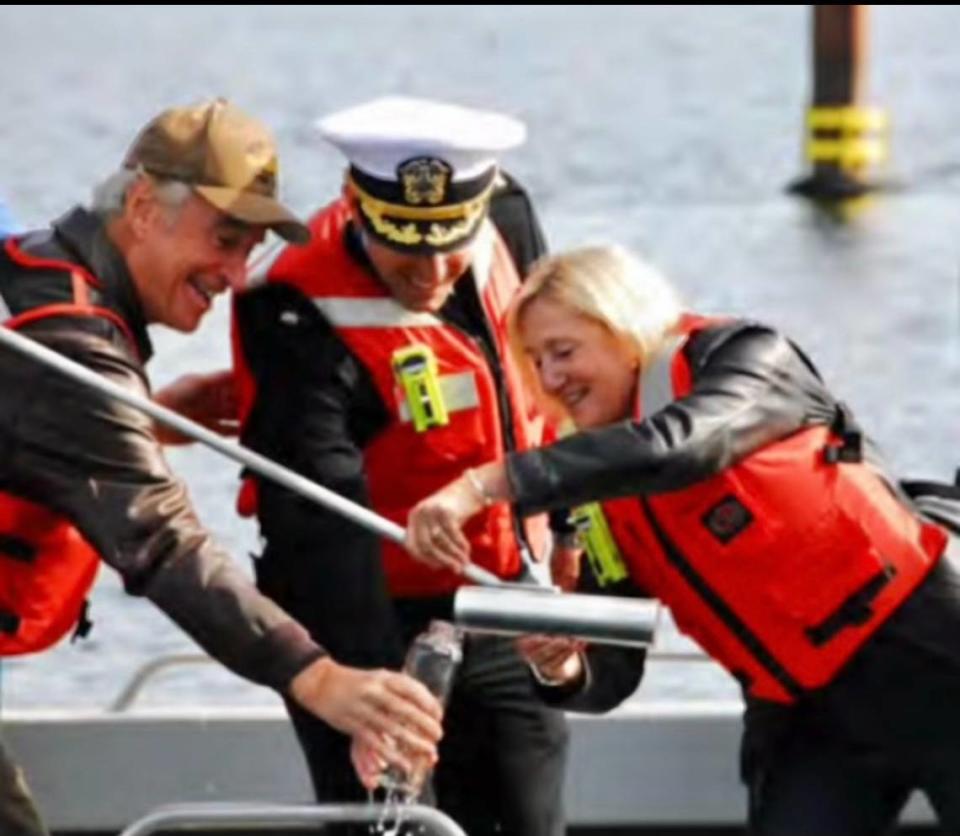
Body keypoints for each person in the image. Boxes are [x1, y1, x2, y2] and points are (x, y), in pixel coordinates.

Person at [404, 243, 960, 835]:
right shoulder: (600, 490)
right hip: (803, 714)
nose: (550, 378)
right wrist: (565, 665)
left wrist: (488, 484)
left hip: (927, 648)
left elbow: (683, 446)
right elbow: (612, 673)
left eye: (563, 352)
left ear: (624, 328)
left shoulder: (746, 359)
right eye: (535, 362)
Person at [0, 99, 444, 836]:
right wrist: (320, 677)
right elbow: (164, 542)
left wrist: (145, 424)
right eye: (226, 238)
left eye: (252, 250)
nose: (238, 275)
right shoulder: (69, 348)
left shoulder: (37, 271)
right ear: (144, 207)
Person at [232, 96, 570, 836]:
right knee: (392, 822)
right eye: (406, 246)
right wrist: (374, 700)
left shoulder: (508, 221)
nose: (433, 269)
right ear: (357, 204)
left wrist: (572, 546)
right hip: (362, 604)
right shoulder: (291, 303)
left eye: (453, 241)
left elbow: (559, 390)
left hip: (504, 594)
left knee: (529, 816)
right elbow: (318, 518)